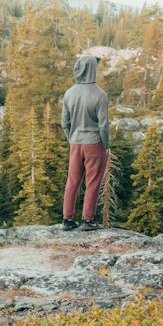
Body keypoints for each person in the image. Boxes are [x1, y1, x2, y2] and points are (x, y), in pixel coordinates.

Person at [60, 52, 110, 230]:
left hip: (75, 143)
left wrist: (72, 139)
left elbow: (64, 123)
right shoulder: (100, 95)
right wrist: (106, 145)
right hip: (94, 143)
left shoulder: (69, 93)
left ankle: (67, 219)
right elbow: (103, 126)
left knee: (72, 181)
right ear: (92, 69)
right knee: (93, 181)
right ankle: (87, 220)